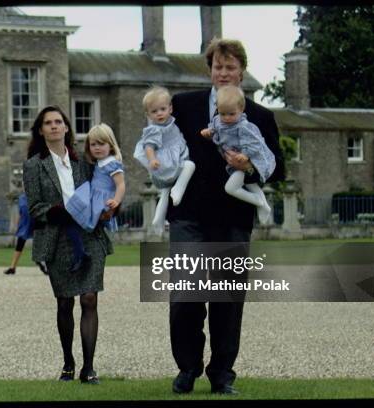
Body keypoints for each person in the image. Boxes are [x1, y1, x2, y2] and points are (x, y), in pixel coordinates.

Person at [167, 38, 285, 395]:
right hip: (188, 214)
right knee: (186, 296)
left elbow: (278, 167)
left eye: (230, 67)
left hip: (233, 217)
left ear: (241, 71)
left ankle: (222, 374)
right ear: (210, 70)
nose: (223, 73)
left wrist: (249, 166)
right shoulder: (182, 106)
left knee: (227, 301)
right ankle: (187, 368)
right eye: (218, 67)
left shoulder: (261, 117)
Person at [23, 105, 114, 384]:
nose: (53, 126)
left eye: (58, 122)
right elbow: (35, 208)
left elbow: (104, 188)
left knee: (89, 298)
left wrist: (110, 207)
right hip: (58, 237)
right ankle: (68, 363)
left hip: (90, 235)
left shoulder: (84, 162)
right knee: (65, 302)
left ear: (66, 128)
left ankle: (88, 368)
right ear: (41, 130)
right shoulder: (33, 165)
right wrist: (64, 210)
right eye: (48, 123)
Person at [200, 85, 275, 224]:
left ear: (241, 109)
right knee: (252, 185)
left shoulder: (244, 126)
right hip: (234, 162)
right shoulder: (218, 120)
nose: (227, 118)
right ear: (218, 109)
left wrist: (246, 155)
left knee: (230, 188)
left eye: (231, 114)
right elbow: (215, 128)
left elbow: (255, 143)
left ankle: (258, 201)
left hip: (248, 161)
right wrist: (209, 132)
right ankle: (263, 205)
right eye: (222, 114)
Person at [133, 86, 196, 234]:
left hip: (171, 163)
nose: (159, 113)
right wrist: (152, 159)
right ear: (148, 114)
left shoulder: (171, 125)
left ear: (170, 108)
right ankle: (179, 189)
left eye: (162, 109)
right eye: (154, 111)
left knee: (165, 193)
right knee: (190, 165)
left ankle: (159, 219)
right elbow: (148, 146)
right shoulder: (154, 129)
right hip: (164, 165)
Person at [66, 122, 125, 234]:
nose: (97, 148)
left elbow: (120, 184)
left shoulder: (112, 163)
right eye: (93, 145)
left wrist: (116, 200)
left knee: (91, 218)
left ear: (111, 145)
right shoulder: (98, 162)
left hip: (103, 197)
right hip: (93, 194)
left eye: (101, 144)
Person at [4, 192, 48, 275]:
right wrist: (18, 224)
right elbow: (21, 213)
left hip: (33, 219)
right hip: (29, 220)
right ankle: (13, 267)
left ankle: (13, 267)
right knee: (23, 242)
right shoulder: (23, 197)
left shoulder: (26, 197)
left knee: (33, 241)